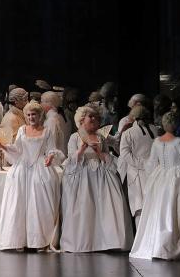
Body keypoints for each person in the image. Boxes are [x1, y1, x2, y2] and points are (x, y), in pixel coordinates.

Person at [60, 105, 132, 253]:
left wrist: (98, 151)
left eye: (95, 117)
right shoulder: (75, 137)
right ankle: (85, 242)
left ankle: (108, 241)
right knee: (84, 207)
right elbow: (71, 159)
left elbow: (106, 156)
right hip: (82, 174)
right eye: (90, 117)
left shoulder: (100, 136)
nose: (93, 119)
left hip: (100, 173)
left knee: (107, 204)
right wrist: (83, 147)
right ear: (81, 119)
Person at [130, 111, 180, 260]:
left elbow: (151, 164)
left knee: (161, 209)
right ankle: (173, 244)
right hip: (176, 177)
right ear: (176, 124)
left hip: (161, 177)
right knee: (176, 209)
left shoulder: (157, 141)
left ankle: (160, 243)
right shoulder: (178, 142)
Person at [0, 100, 64, 250]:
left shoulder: (47, 131)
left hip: (40, 168)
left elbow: (52, 149)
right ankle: (19, 240)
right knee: (18, 204)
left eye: (34, 114)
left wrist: (50, 157)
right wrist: (4, 147)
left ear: (40, 115)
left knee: (39, 205)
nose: (31, 117)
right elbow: (17, 149)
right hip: (22, 168)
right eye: (28, 115)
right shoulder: (22, 130)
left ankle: (40, 241)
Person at [118, 104, 157, 221]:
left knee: (139, 207)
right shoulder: (155, 130)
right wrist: (147, 163)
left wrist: (141, 163)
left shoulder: (129, 133)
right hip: (152, 170)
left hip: (138, 173)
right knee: (150, 206)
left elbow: (124, 153)